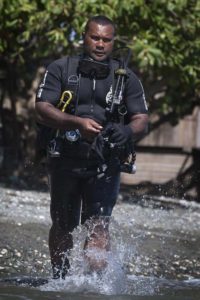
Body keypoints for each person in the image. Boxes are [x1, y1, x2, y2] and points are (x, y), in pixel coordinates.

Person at [35, 15, 148, 279]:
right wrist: (76, 122)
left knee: (98, 226)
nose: (100, 44)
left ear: (113, 42)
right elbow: (42, 109)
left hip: (105, 163)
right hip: (64, 158)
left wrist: (127, 130)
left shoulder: (127, 78)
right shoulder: (61, 68)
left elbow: (142, 118)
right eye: (95, 37)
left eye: (106, 39)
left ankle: (93, 287)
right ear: (84, 37)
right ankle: (60, 283)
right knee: (63, 223)